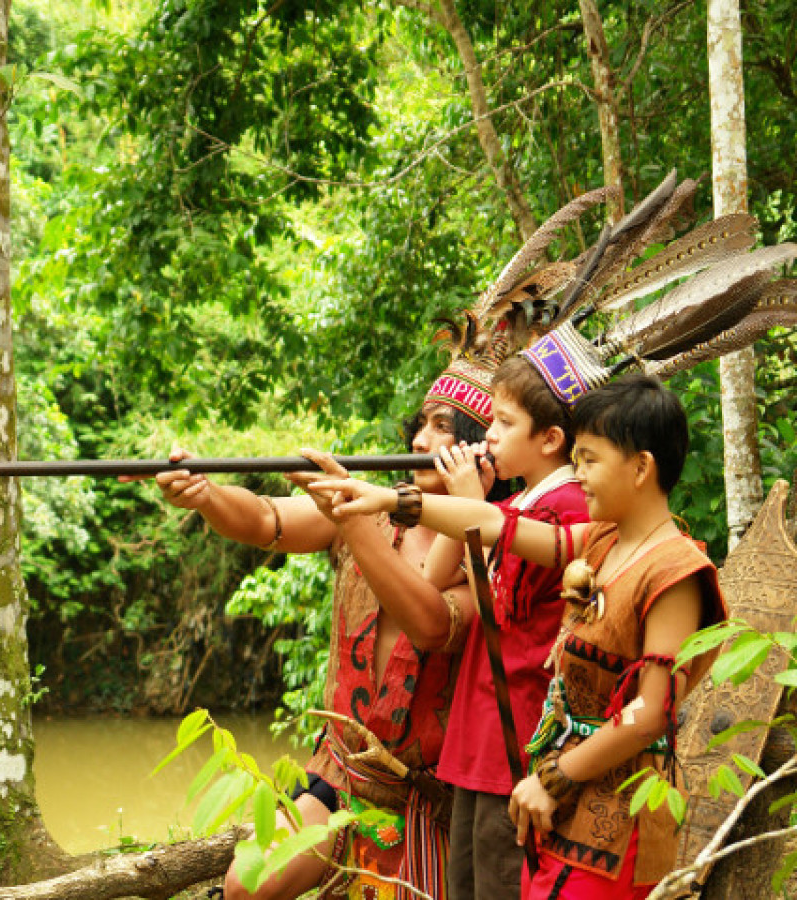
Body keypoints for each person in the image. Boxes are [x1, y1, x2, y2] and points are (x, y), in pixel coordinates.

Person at [309, 374, 728, 900]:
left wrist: (555, 776)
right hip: (558, 786)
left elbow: (649, 713)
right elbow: (494, 524)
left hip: (613, 809)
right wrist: (381, 500)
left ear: (641, 467)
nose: (581, 475)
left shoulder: (676, 570)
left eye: (591, 460)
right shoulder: (599, 538)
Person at [128, 365, 505, 900]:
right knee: (246, 883)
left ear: (482, 449)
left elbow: (429, 623)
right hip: (342, 768)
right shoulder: (372, 505)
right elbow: (265, 519)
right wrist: (206, 495)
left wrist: (352, 516)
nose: (421, 440)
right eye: (421, 424)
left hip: (428, 800)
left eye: (443, 428)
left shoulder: (495, 542)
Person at [418, 355, 589, 900]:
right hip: (481, 736)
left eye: (504, 423)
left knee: (501, 885)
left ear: (551, 439)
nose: (489, 435)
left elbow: (494, 606)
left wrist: (472, 505)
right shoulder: (515, 503)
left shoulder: (566, 506)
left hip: (517, 739)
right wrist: (469, 501)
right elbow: (432, 575)